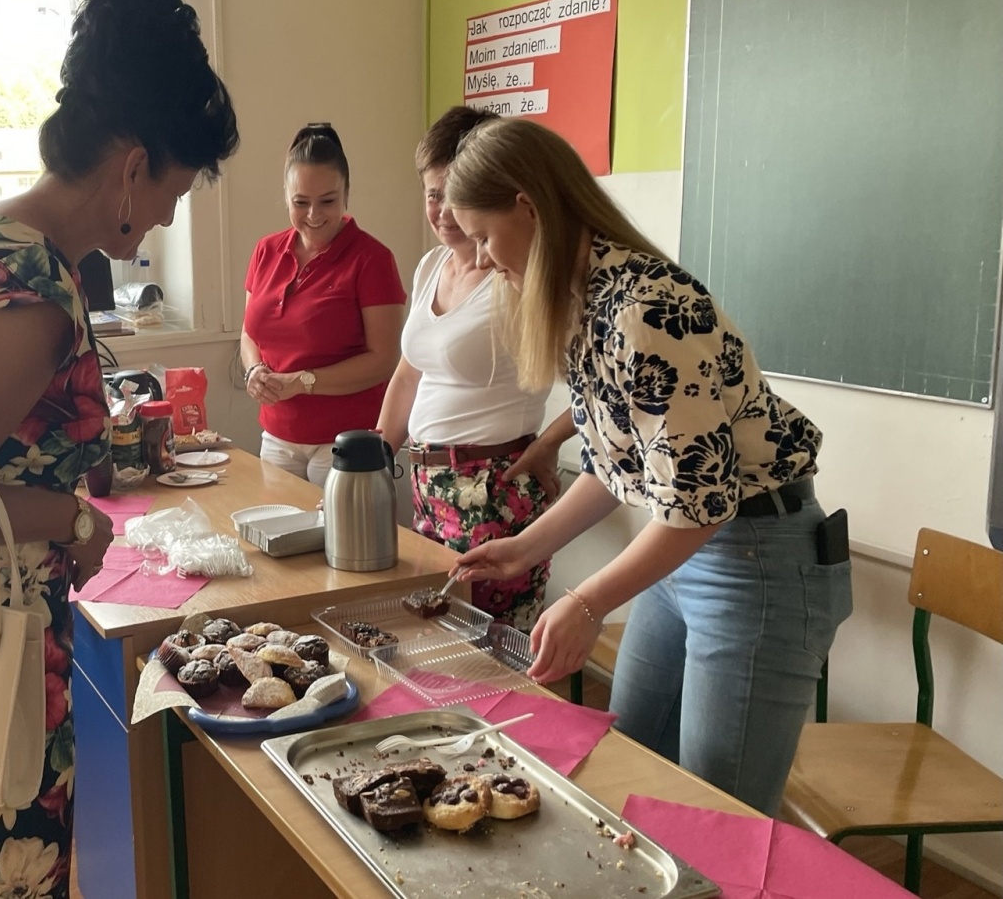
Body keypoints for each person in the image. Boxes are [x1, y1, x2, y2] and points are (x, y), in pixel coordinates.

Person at [0, 0, 238, 895]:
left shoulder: (0, 241)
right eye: (174, 193)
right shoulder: (30, 295)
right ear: (133, 167)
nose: (168, 220)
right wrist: (70, 518)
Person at [446, 117, 851, 816]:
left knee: (717, 813)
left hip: (760, 558)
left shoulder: (648, 310)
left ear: (528, 206)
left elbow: (699, 505)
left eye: (482, 235)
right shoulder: (583, 302)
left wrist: (586, 600)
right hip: (684, 547)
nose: (480, 258)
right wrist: (526, 548)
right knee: (636, 771)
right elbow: (617, 464)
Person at [376, 107, 575, 631]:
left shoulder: (517, 273)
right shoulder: (430, 267)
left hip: (491, 489)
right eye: (431, 194)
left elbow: (602, 389)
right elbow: (407, 372)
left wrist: (548, 441)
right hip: (427, 485)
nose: (442, 210)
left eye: (452, 193)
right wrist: (374, 461)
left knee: (492, 651)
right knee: (439, 641)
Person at [240, 124, 407, 488]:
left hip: (347, 440)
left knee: (341, 542)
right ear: (286, 196)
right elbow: (249, 333)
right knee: (277, 539)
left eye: (327, 201)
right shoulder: (266, 251)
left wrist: (302, 382)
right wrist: (253, 372)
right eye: (301, 202)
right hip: (277, 436)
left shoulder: (372, 259)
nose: (314, 214)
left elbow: (383, 360)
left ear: (347, 194)